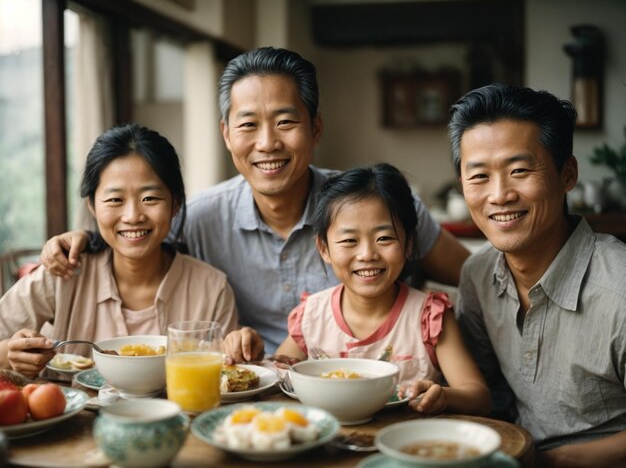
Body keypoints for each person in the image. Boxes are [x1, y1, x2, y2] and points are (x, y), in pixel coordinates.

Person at [38, 47, 469, 354]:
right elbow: (135, 228)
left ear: (315, 129)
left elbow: (475, 280)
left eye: (285, 122)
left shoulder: (379, 208)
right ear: (227, 134)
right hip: (251, 405)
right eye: (248, 125)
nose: (267, 143)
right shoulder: (199, 217)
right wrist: (84, 237)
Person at [450, 83, 626, 467]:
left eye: (519, 171)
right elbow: (486, 397)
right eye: (479, 176)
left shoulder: (620, 289)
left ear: (567, 174)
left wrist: (549, 461)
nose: (499, 195)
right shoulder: (478, 275)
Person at [225, 163, 491, 416]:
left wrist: (442, 395)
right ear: (324, 249)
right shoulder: (312, 316)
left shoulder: (429, 317)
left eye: (384, 238)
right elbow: (276, 377)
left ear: (409, 244)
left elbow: (478, 396)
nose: (367, 254)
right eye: (349, 240)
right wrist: (252, 354)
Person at [0, 124, 238, 378]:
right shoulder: (62, 272)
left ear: (175, 205)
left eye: (150, 198)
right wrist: (11, 356)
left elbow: (228, 377)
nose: (133, 216)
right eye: (115, 200)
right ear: (92, 205)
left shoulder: (212, 289)